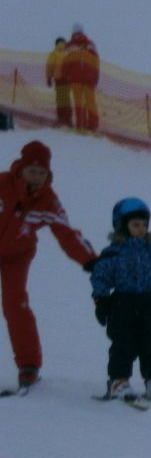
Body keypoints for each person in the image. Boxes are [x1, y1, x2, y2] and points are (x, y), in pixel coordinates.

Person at [0, 141, 96, 390]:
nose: (36, 177)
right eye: (32, 171)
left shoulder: (47, 201)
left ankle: (29, 365)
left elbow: (66, 233)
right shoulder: (2, 184)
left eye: (42, 173)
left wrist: (90, 260)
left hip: (17, 256)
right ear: (20, 169)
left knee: (16, 306)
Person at [90, 197, 151, 402]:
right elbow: (100, 277)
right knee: (123, 344)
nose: (141, 229)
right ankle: (119, 381)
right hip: (122, 305)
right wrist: (101, 300)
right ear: (122, 225)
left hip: (148, 305)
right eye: (135, 224)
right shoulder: (113, 254)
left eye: (144, 225)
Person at [62, 24, 100, 131]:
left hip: (75, 78)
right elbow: (96, 63)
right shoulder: (90, 45)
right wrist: (96, 78)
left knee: (78, 102)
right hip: (89, 79)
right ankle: (93, 125)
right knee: (90, 102)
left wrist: (64, 77)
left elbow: (65, 64)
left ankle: (80, 124)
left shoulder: (69, 46)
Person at [45, 37, 72, 127]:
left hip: (59, 79)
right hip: (68, 80)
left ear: (56, 44)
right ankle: (68, 120)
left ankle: (61, 119)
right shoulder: (68, 53)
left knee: (60, 99)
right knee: (67, 99)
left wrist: (49, 78)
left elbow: (50, 67)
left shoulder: (54, 54)